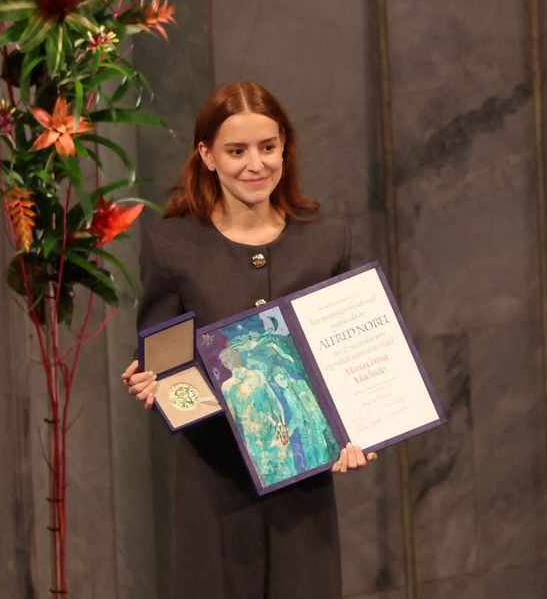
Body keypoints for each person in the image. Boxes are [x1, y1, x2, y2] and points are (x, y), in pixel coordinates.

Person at [120, 81, 375, 598]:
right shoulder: (173, 246)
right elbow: (163, 362)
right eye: (236, 151)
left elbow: (349, 354)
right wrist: (155, 383)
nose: (255, 164)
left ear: (285, 147)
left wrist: (361, 426)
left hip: (305, 481)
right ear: (207, 155)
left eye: (268, 147)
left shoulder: (327, 238)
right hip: (215, 481)